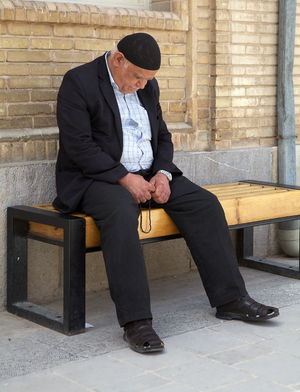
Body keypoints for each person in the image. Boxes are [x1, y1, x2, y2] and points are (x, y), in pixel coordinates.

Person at [53, 33, 279, 354]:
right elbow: (79, 146)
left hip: (147, 174)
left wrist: (162, 173)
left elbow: (163, 136)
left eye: (148, 80)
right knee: (120, 211)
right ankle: (136, 322)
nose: (142, 85)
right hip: (97, 180)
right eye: (138, 77)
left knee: (204, 204)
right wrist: (123, 178)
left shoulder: (147, 87)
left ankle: (231, 299)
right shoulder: (79, 82)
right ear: (118, 60)